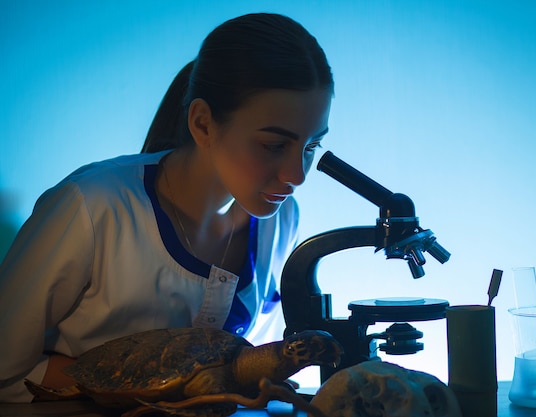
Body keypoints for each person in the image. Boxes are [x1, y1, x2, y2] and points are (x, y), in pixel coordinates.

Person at [0, 12, 333, 402]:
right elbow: (6, 369)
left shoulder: (280, 220)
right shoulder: (92, 208)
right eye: (274, 146)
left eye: (311, 147)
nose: (297, 176)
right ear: (203, 123)